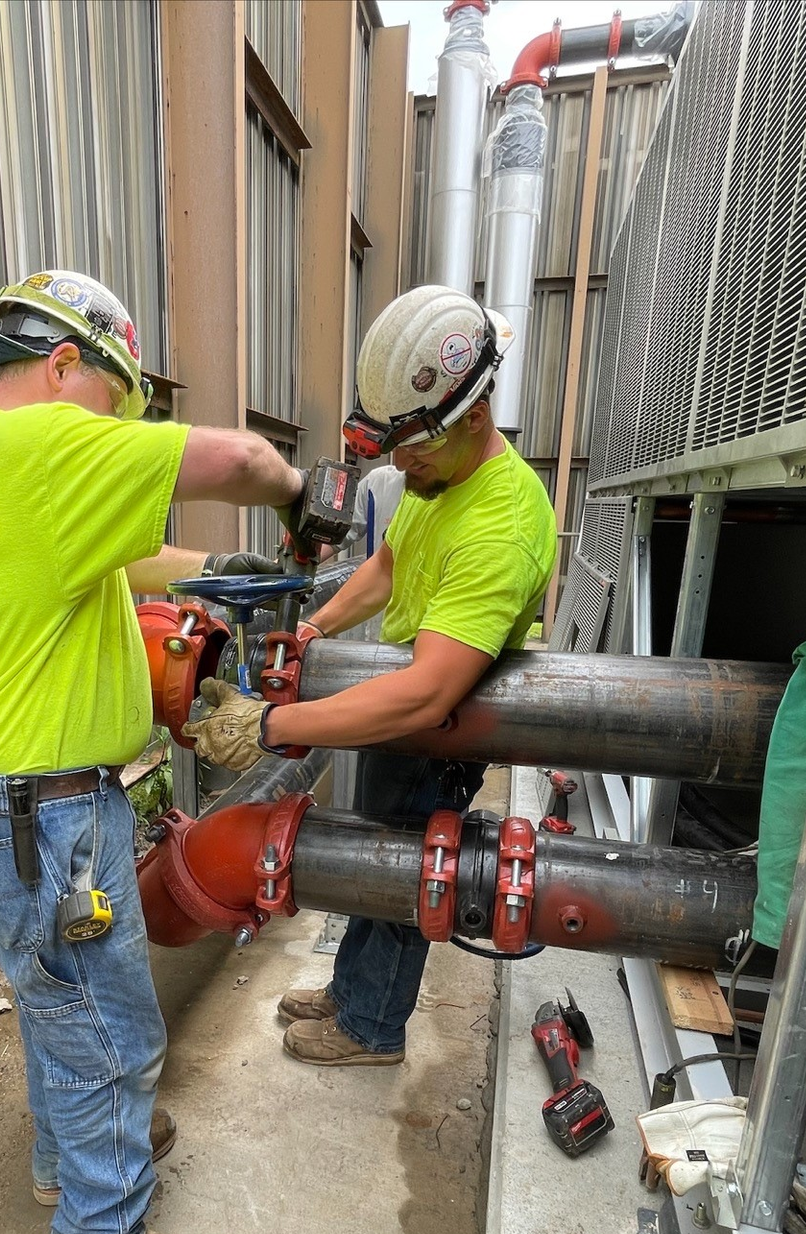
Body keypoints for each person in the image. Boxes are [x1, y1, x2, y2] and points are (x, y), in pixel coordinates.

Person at [0, 269, 304, 1234]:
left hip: (8, 807)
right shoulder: (39, 443)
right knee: (112, 1030)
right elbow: (248, 459)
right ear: (61, 367)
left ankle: (71, 1157)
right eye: (114, 405)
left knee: (60, 1006)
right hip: (41, 817)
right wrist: (301, 508)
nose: (115, 431)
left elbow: (127, 562)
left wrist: (222, 568)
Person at [183, 286, 557, 1067]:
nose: (397, 466)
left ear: (476, 420)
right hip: (402, 713)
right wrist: (315, 626)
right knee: (374, 855)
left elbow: (427, 690)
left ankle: (372, 1028)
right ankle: (355, 991)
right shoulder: (439, 479)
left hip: (437, 729)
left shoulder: (504, 522)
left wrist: (269, 726)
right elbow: (390, 566)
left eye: (410, 451)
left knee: (410, 867)